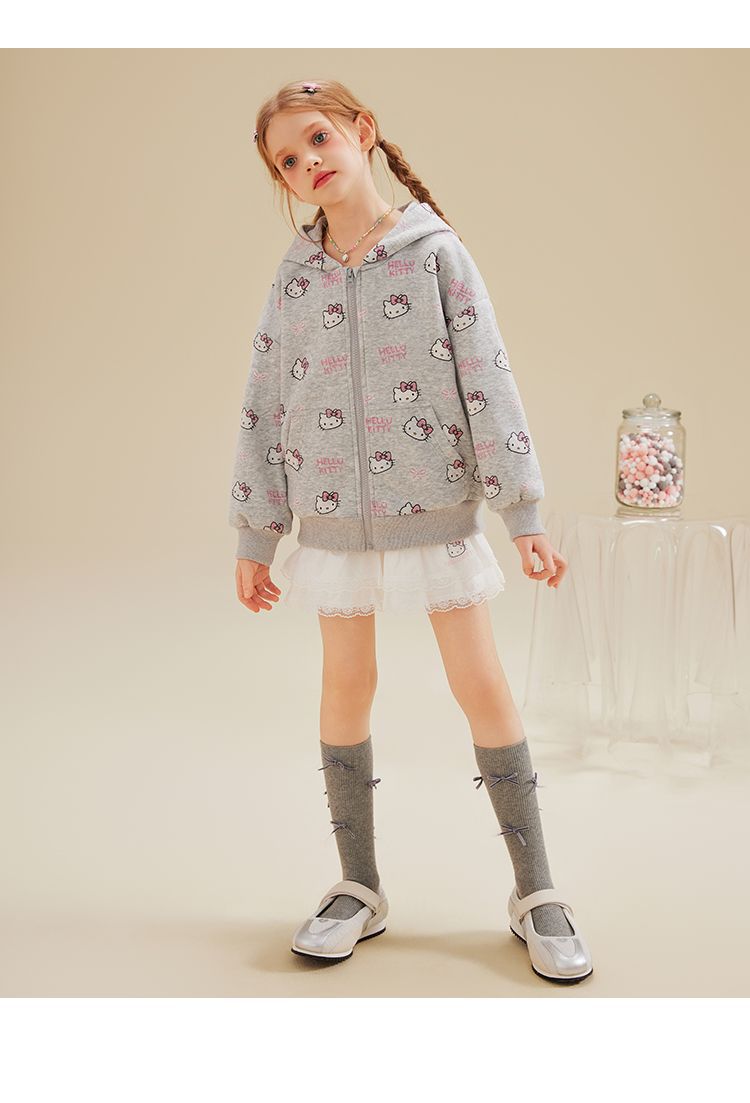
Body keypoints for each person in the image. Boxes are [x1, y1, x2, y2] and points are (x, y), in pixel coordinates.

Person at [228, 78, 593, 983]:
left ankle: (537, 891)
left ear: (363, 131)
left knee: (481, 684)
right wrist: (256, 533)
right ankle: (359, 885)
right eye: (288, 159)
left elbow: (487, 377)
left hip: (434, 513)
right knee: (345, 688)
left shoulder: (436, 253)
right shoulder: (296, 276)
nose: (308, 162)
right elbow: (265, 399)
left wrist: (522, 513)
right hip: (331, 526)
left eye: (318, 138)